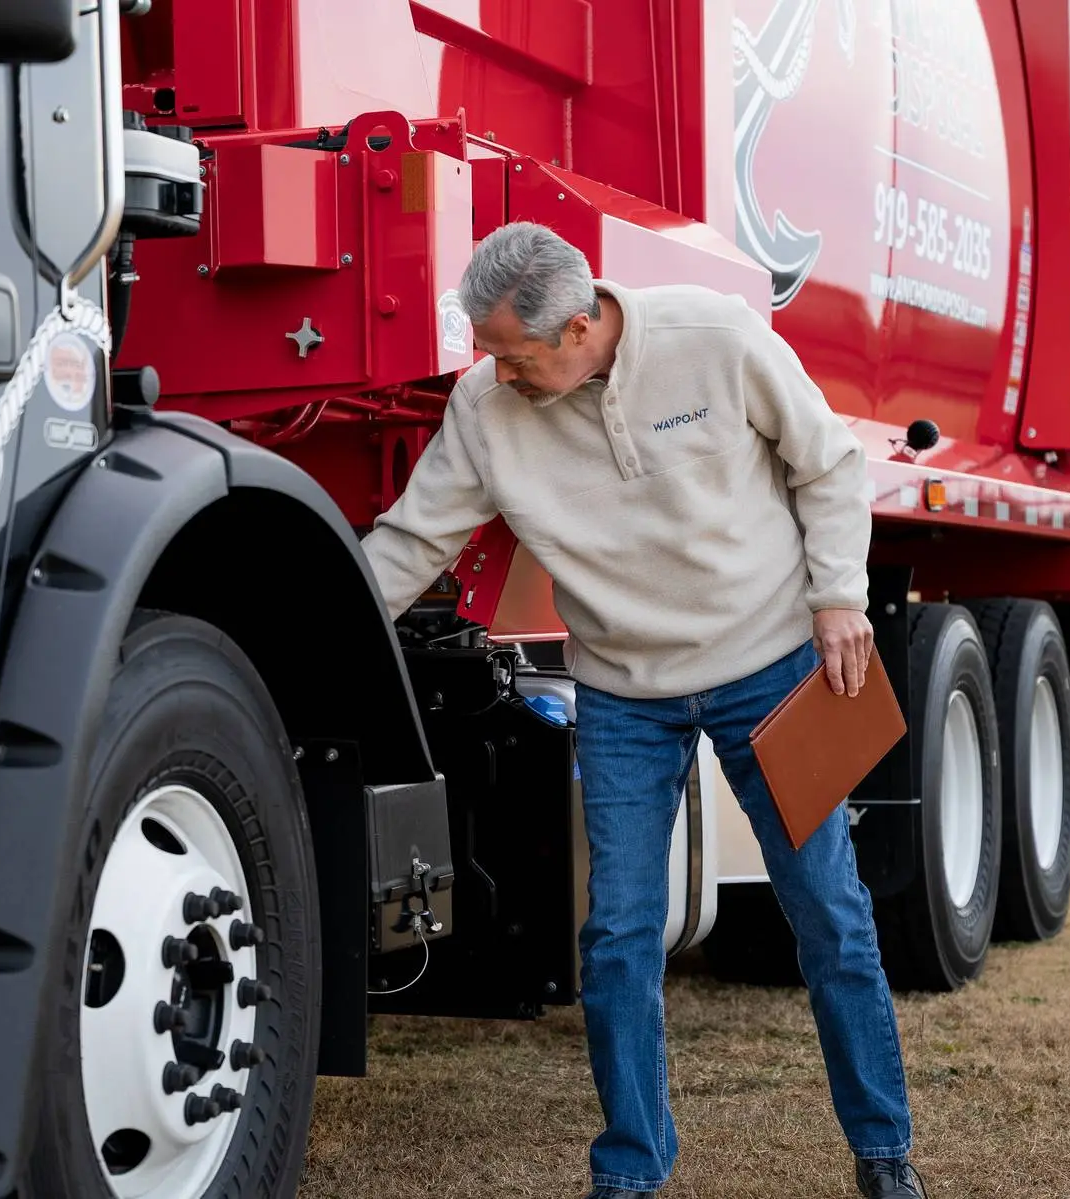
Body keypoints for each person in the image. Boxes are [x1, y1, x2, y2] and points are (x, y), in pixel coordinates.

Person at [359, 222, 925, 1199]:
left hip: (771, 668)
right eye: (485, 349)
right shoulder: (487, 407)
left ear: (580, 327)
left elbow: (827, 462)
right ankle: (630, 1171)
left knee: (829, 913)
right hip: (624, 691)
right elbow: (413, 541)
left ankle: (883, 1151)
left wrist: (839, 594)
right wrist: (313, 628)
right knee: (617, 935)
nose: (493, 371)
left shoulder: (716, 336)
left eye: (512, 353)